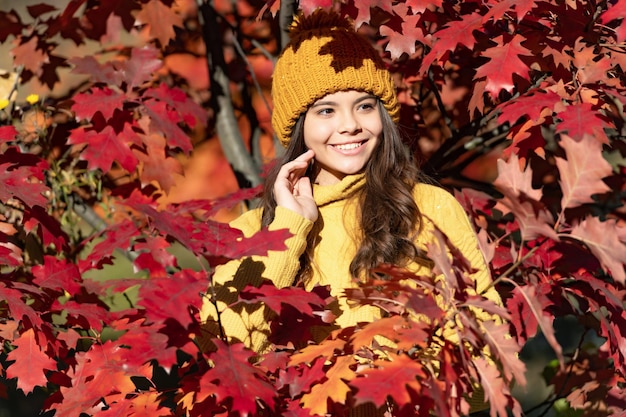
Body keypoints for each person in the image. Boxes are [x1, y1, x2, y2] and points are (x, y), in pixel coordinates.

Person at [200, 8, 501, 414]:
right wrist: (290, 229)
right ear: (298, 126)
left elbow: (488, 357)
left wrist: (393, 381)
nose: (350, 125)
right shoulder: (254, 229)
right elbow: (222, 357)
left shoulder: (428, 208)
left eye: (364, 106)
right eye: (326, 111)